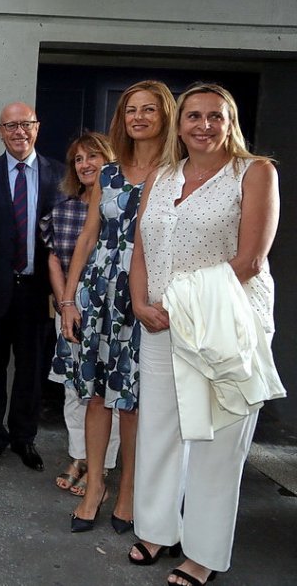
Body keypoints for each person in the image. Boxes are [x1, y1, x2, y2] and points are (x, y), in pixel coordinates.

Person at [128, 83, 284, 585]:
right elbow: (141, 251)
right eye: (193, 116)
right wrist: (139, 303)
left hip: (225, 324)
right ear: (179, 124)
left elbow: (250, 260)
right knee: (160, 431)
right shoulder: (162, 175)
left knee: (217, 442)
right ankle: (156, 528)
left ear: (230, 122)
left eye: (215, 116)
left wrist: (175, 303)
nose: (203, 125)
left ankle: (203, 554)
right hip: (159, 323)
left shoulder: (254, 172)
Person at [59, 80, 175, 533]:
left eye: (149, 110)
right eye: (131, 110)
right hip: (97, 294)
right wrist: (68, 299)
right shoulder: (107, 174)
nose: (139, 117)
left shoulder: (176, 173)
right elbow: (87, 237)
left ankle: (128, 493)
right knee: (94, 397)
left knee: (133, 402)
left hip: (144, 296)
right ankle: (94, 488)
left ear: (165, 116)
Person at [0, 102, 62, 473]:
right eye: (11, 126)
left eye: (26, 124)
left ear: (37, 127)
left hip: (38, 295)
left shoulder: (59, 174)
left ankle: (24, 439)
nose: (19, 131)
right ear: (0, 131)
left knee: (31, 372)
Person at [41, 132, 120, 496]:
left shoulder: (123, 206)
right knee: (75, 390)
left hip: (113, 314)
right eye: (78, 158)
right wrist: (65, 304)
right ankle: (79, 457)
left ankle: (100, 467)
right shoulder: (65, 206)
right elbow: (55, 258)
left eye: (94, 156)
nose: (86, 164)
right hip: (71, 310)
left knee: (108, 393)